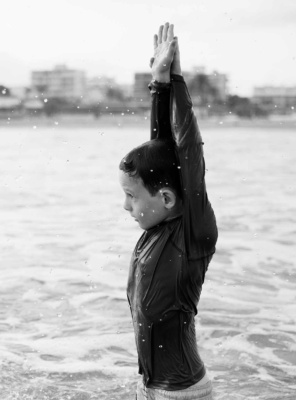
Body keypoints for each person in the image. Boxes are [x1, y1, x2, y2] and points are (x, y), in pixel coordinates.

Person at [118, 23, 218, 399]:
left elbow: (189, 151)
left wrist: (175, 79)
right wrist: (157, 85)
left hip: (184, 393)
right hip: (152, 388)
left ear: (167, 199)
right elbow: (161, 149)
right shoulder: (157, 229)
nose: (126, 205)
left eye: (132, 196)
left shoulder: (191, 233)